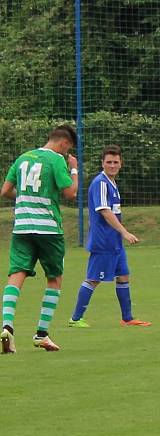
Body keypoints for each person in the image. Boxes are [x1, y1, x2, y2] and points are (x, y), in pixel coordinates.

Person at [1, 125, 79, 354]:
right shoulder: (56, 160)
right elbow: (71, 193)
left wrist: (25, 198)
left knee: (16, 275)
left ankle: (7, 327)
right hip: (48, 229)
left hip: (22, 227)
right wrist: (74, 170)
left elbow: (5, 191)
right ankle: (42, 334)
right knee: (54, 279)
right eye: (68, 150)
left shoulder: (23, 158)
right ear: (64, 143)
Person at [68, 145, 151, 328]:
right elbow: (105, 212)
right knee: (94, 278)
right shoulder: (101, 183)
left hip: (114, 242)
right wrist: (124, 232)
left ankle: (127, 318)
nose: (112, 165)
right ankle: (75, 319)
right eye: (109, 162)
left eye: (115, 162)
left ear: (121, 163)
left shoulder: (112, 183)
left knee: (123, 275)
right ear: (102, 163)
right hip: (104, 241)